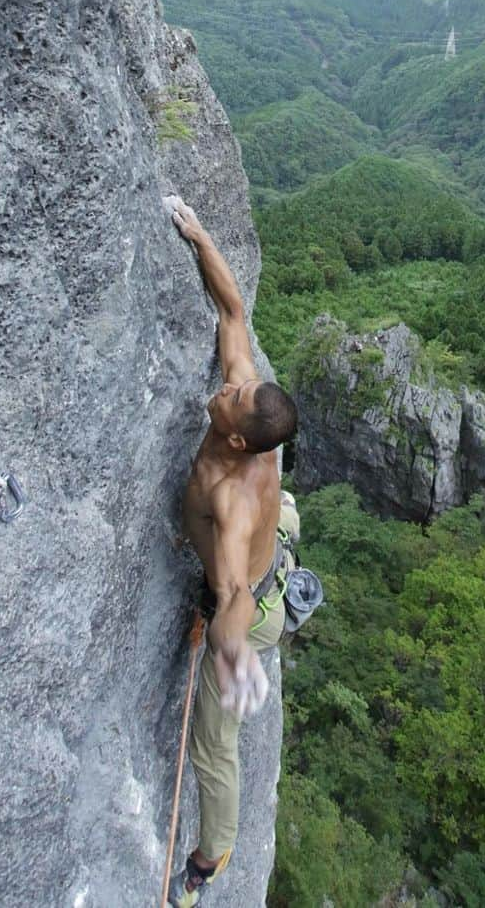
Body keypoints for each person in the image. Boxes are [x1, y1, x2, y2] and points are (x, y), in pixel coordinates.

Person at [162, 195, 299, 908]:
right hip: (271, 543)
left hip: (252, 590)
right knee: (277, 530)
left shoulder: (234, 497)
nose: (226, 386)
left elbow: (236, 596)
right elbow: (233, 311)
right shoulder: (243, 406)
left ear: (240, 440)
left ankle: (210, 859)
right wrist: (196, 231)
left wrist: (233, 648)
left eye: (233, 398)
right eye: (235, 386)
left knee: (216, 749)